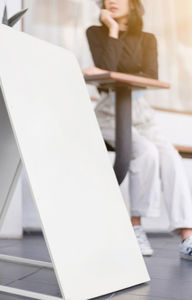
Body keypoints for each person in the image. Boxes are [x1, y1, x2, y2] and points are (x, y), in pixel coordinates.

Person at [86, 0, 192, 260]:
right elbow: (107, 70)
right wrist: (111, 29)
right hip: (111, 112)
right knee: (146, 153)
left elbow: (151, 75)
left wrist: (110, 71)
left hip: (141, 112)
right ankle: (135, 228)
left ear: (133, 5)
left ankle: (187, 236)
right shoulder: (96, 32)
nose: (111, 0)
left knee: (169, 156)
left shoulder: (147, 39)